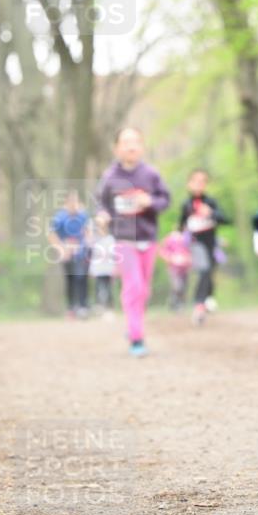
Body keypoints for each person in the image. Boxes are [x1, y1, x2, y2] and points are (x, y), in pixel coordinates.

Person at [97, 127, 170, 357]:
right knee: (134, 286)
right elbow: (101, 204)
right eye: (126, 142)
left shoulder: (151, 174)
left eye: (135, 142)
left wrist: (149, 201)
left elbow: (165, 200)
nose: (131, 146)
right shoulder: (110, 177)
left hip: (148, 238)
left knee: (143, 290)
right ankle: (137, 338)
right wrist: (103, 215)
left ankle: (132, 324)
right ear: (117, 148)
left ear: (142, 146)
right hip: (124, 239)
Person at [179, 170, 229, 325]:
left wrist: (211, 213)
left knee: (209, 273)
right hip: (195, 243)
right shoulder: (186, 205)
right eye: (195, 181)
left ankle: (206, 300)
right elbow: (181, 226)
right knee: (204, 269)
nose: (199, 185)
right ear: (189, 184)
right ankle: (199, 305)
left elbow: (225, 219)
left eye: (202, 181)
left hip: (211, 244)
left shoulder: (211, 202)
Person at [48, 190, 91, 318]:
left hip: (81, 252)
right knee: (70, 279)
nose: (74, 204)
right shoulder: (60, 217)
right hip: (66, 252)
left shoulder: (83, 215)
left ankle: (83, 306)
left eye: (76, 201)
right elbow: (51, 234)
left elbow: (88, 232)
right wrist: (61, 249)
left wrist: (86, 245)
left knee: (82, 277)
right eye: (71, 201)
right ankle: (71, 307)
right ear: (66, 203)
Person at [88, 211, 117, 316]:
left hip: (109, 268)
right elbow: (92, 256)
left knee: (109, 289)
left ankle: (110, 309)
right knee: (99, 288)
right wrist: (91, 269)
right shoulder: (94, 240)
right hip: (98, 269)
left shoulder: (111, 239)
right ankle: (100, 308)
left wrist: (116, 268)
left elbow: (114, 255)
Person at [158, 229, 192, 311]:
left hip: (185, 268)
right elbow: (162, 251)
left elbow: (191, 252)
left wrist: (188, 259)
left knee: (184, 287)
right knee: (177, 286)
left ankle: (179, 303)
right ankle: (174, 302)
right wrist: (171, 258)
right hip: (173, 268)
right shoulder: (170, 239)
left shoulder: (187, 239)